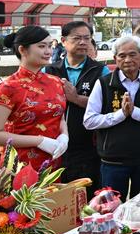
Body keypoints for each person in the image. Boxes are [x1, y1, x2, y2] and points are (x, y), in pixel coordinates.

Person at [83, 35, 140, 199]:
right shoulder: (104, 83)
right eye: (122, 55)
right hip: (113, 161)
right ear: (115, 58)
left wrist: (136, 112)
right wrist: (121, 114)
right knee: (111, 207)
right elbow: (89, 120)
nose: (127, 60)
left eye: (132, 54)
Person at [0, 26, 68, 173]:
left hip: (53, 164)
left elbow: (58, 116)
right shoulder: (9, 87)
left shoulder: (55, 82)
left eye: (50, 46)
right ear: (23, 50)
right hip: (20, 167)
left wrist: (64, 135)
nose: (48, 51)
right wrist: (39, 141)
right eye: (42, 46)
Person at [43, 20, 109, 194]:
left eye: (87, 38)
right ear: (63, 41)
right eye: (77, 38)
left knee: (86, 196)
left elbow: (106, 105)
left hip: (87, 147)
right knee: (55, 196)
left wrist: (76, 98)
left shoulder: (100, 71)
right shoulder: (49, 71)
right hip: (52, 146)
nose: (83, 42)